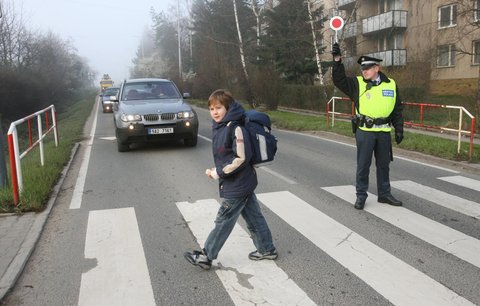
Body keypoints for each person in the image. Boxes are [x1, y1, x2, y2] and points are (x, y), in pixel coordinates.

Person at [184, 89, 278, 270]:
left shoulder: (236, 128)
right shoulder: (221, 126)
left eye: (218, 108)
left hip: (238, 183)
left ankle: (207, 255)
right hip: (240, 181)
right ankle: (267, 249)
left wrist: (218, 172)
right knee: (254, 217)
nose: (215, 112)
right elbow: (227, 156)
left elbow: (241, 158)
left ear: (228, 107)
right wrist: (218, 170)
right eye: (211, 109)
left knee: (224, 220)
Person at [331, 43, 404, 210]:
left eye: (368, 68)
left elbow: (398, 108)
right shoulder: (358, 84)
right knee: (363, 165)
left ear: (377, 68)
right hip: (365, 132)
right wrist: (337, 60)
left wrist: (399, 129)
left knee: (384, 165)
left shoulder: (391, 84)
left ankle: (384, 194)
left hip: (384, 132)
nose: (364, 71)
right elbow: (339, 80)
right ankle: (361, 196)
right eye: (363, 68)